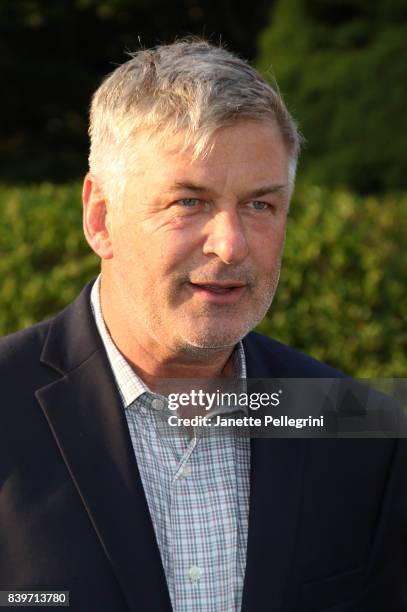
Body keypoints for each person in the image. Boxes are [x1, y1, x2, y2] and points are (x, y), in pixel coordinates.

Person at [0, 39, 405, 612]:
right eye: (189, 201)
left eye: (260, 205)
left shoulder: (361, 428)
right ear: (100, 218)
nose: (232, 243)